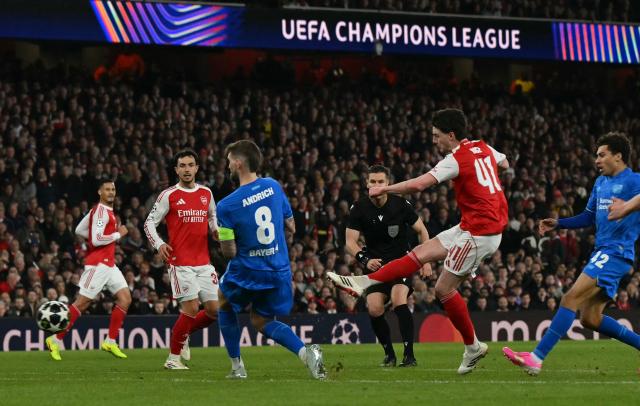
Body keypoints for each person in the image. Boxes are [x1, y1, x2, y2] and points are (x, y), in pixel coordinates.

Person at [328, 108, 509, 374]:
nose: (434, 141)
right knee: (420, 252)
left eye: (437, 136)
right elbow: (503, 163)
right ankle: (363, 281)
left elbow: (419, 185)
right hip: (472, 224)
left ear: (451, 135)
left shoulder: (456, 158)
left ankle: (473, 347)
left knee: (443, 290)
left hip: (480, 232)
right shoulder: (483, 147)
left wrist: (385, 188)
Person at [503, 132, 640, 375]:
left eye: (602, 155)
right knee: (590, 319)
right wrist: (560, 223)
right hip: (603, 251)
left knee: (570, 298)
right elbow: (589, 216)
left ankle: (537, 357)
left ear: (618, 156)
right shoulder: (600, 183)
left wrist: (628, 207)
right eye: (596, 155)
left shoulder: (633, 181)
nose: (596, 160)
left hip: (616, 252)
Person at [216, 140, 325, 380]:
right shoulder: (273, 186)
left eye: (229, 161)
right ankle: (306, 354)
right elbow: (291, 226)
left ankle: (237, 368)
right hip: (279, 269)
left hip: (248, 270)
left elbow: (229, 252)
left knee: (222, 301)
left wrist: (221, 235)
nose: (227, 166)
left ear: (238, 163)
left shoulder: (226, 205)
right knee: (261, 320)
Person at [345, 164, 430, 367]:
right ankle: (389, 354)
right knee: (374, 309)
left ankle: (409, 355)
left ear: (388, 183)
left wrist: (425, 261)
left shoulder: (400, 204)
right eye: (372, 181)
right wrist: (365, 260)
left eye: (380, 182)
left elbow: (422, 230)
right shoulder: (359, 207)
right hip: (375, 266)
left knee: (398, 299)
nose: (376, 185)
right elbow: (350, 241)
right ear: (366, 183)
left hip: (401, 263)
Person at [144, 149, 219, 370]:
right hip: (180, 263)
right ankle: (173, 358)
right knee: (192, 307)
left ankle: (183, 332)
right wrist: (159, 244)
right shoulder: (169, 195)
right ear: (176, 170)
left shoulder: (206, 193)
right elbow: (149, 223)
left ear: (197, 168)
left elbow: (212, 216)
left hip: (204, 262)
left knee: (215, 310)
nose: (187, 169)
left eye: (190, 165)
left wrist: (215, 231)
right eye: (182, 166)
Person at [46, 179, 131, 360]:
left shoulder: (101, 211)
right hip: (98, 264)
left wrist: (95, 237)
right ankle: (55, 339)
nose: (111, 192)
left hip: (109, 264)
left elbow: (79, 230)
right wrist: (118, 234)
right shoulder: (101, 211)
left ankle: (110, 341)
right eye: (107, 189)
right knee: (82, 304)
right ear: (99, 192)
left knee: (125, 299)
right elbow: (97, 239)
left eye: (113, 189)